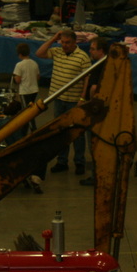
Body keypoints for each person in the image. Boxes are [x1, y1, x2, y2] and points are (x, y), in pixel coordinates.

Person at [36, 29, 88, 175]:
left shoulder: (83, 57)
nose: (64, 45)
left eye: (68, 42)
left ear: (74, 42)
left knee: (77, 132)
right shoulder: (57, 52)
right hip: (59, 99)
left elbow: (87, 79)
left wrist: (82, 98)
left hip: (74, 101)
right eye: (62, 42)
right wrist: (54, 39)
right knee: (60, 131)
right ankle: (62, 161)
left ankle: (79, 162)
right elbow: (39, 53)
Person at [78, 36, 111, 186]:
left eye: (92, 49)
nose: (90, 51)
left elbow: (94, 88)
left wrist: (90, 103)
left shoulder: (101, 66)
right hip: (102, 111)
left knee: (95, 144)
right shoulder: (104, 64)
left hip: (97, 112)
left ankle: (97, 176)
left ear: (101, 50)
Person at [13, 42, 40, 132]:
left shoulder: (19, 65)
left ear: (20, 54)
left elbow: (18, 80)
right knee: (30, 109)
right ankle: (24, 132)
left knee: (27, 112)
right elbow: (38, 77)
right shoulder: (34, 63)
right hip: (34, 90)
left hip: (25, 91)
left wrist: (15, 77)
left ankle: (34, 130)